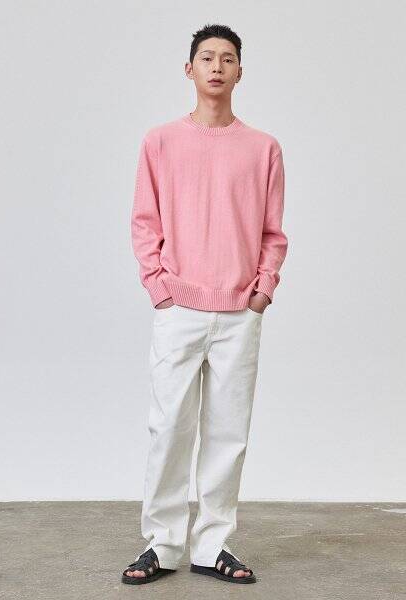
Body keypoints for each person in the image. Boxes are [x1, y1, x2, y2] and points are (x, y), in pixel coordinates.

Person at [122, 23, 289, 586]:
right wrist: (160, 289)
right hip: (180, 307)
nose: (217, 66)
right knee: (169, 427)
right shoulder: (160, 142)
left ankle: (213, 543)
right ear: (189, 68)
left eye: (228, 58)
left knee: (228, 433)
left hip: (241, 310)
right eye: (207, 57)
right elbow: (144, 221)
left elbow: (272, 230)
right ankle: (163, 542)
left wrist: (263, 290)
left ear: (240, 72)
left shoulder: (263, 148)